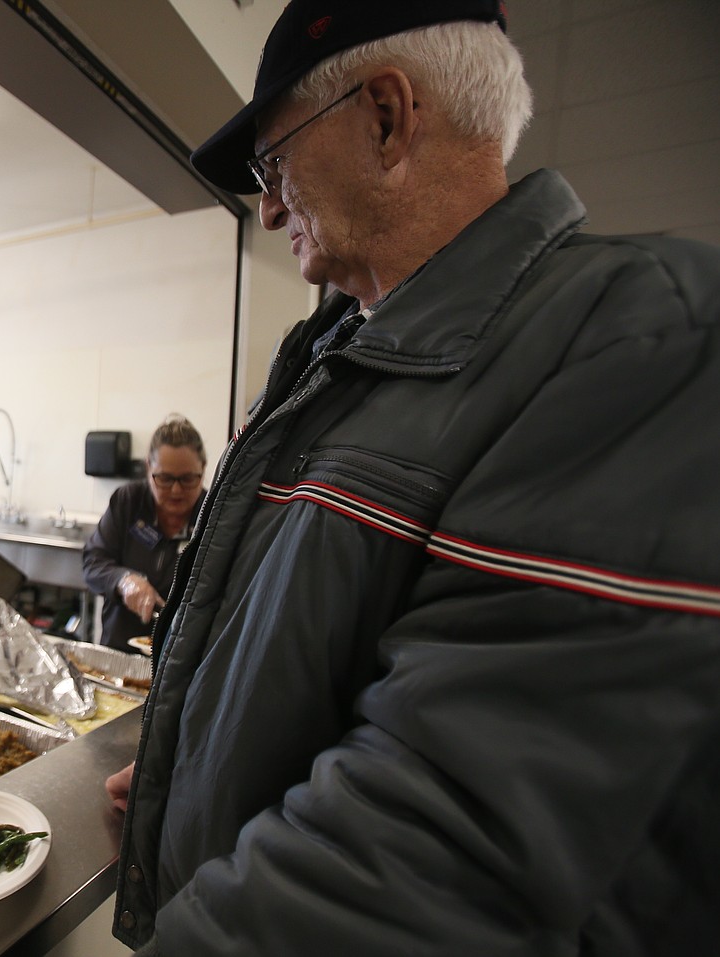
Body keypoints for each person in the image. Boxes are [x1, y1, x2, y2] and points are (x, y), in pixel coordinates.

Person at [108, 3, 720, 955]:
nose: (268, 208)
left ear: (387, 117)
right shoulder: (339, 361)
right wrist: (189, 769)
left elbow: (445, 834)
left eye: (274, 167)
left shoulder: (643, 337)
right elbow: (310, 656)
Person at [83, 415, 207, 651]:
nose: (176, 490)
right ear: (148, 468)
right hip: (120, 654)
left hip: (183, 659)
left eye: (189, 479)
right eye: (165, 478)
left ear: (203, 469)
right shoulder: (128, 502)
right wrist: (124, 580)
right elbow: (93, 563)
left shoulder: (213, 514)